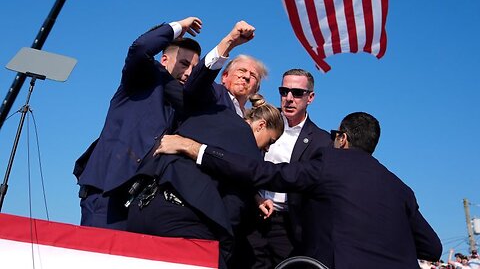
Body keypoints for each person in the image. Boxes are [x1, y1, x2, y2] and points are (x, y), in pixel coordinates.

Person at [156, 111, 443, 269]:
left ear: (342, 139)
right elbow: (433, 247)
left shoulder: (329, 163)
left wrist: (197, 149)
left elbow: (263, 172)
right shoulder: (400, 187)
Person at [73, 17, 256, 230]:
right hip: (108, 193)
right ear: (164, 60)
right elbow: (141, 47)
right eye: (184, 64)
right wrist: (178, 27)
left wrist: (229, 43)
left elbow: (203, 85)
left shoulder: (186, 102)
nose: (188, 73)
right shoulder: (140, 79)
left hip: (144, 203)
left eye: (193, 68)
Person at [126, 94, 284, 268]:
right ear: (261, 125)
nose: (268, 148)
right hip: (183, 224)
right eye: (270, 141)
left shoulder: (212, 115)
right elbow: (234, 206)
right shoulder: (249, 148)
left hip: (142, 208)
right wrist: (223, 250)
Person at [248, 69, 331, 268]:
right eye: (284, 91)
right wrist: (254, 197)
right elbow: (245, 165)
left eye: (297, 93)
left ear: (310, 97)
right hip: (251, 217)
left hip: (289, 227)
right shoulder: (260, 122)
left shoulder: (322, 141)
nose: (289, 98)